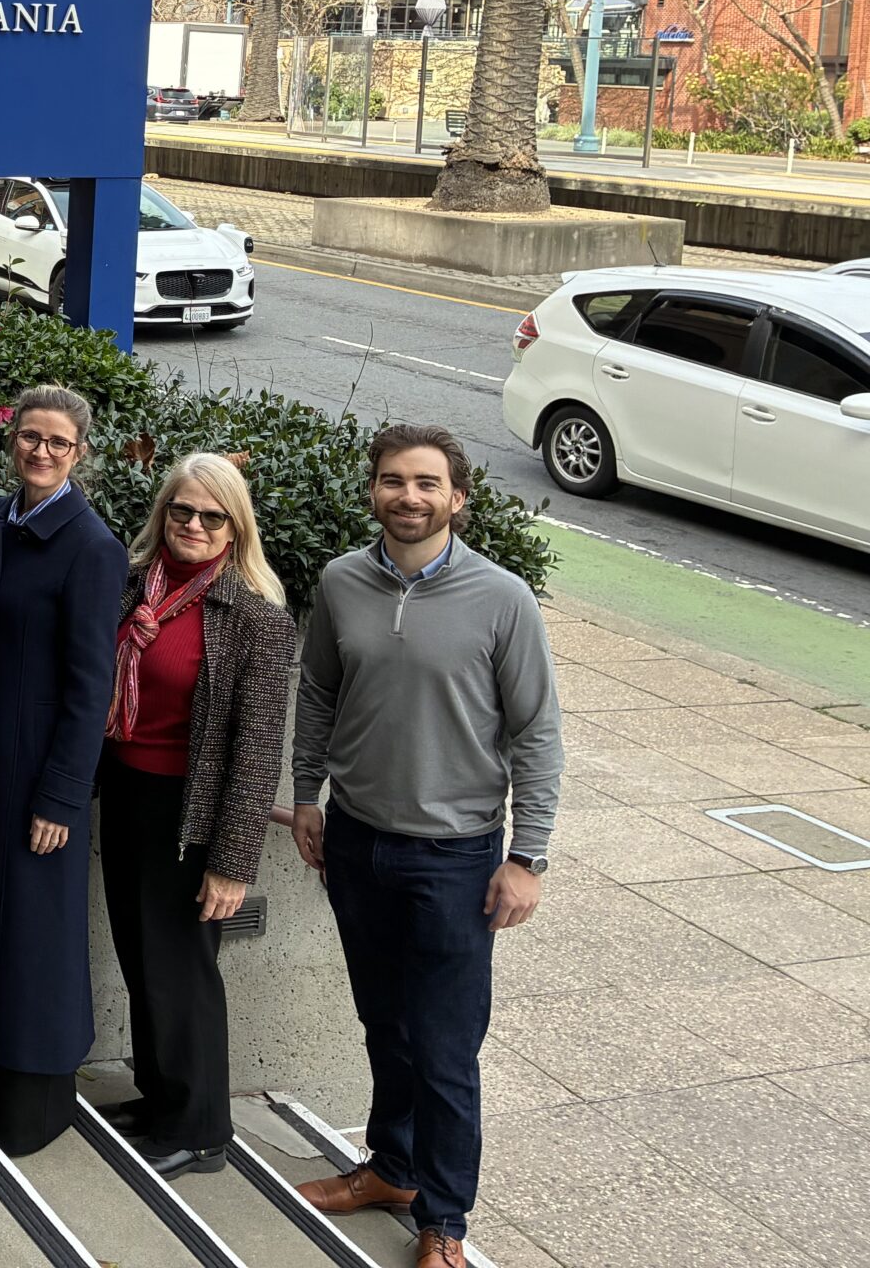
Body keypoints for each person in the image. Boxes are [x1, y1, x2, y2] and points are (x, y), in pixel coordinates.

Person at [290, 424, 563, 1268]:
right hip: (359, 844)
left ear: (457, 498)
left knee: (445, 1048)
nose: (408, 496)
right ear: (372, 489)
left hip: (455, 858)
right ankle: (393, 1168)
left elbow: (538, 734)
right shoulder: (342, 582)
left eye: (426, 484)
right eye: (392, 481)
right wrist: (307, 798)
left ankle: (444, 1219)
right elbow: (319, 696)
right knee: (383, 1024)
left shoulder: (502, 598)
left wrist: (530, 855)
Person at [0, 383, 128, 1155]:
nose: (40, 452)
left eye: (58, 443)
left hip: (35, 780)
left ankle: (32, 1104)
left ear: (80, 454)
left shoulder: (92, 549)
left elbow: (89, 688)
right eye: (29, 437)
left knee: (33, 938)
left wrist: (64, 796)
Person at [99, 452, 297, 1178]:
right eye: (181, 510)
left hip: (191, 816)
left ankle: (200, 1128)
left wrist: (232, 862)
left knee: (182, 968)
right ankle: (159, 1097)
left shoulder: (255, 618)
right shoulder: (134, 587)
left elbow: (256, 752)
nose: (193, 524)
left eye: (212, 516)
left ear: (234, 529)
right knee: (141, 956)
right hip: (125, 791)